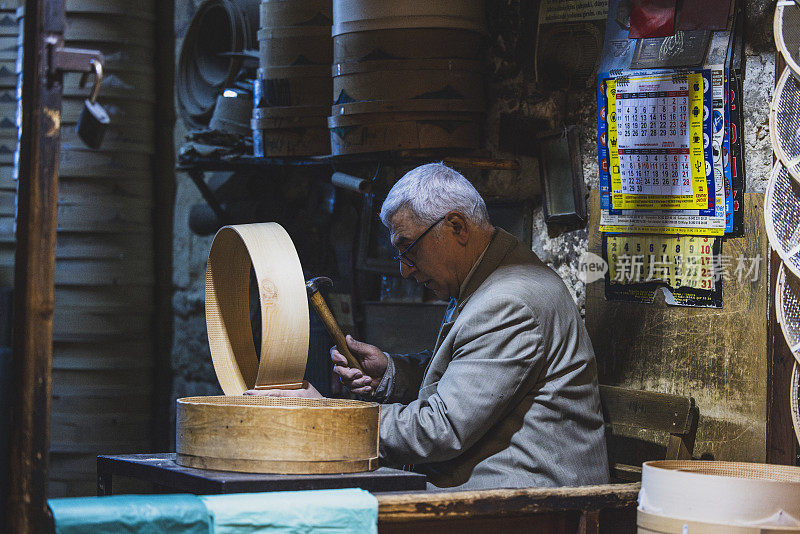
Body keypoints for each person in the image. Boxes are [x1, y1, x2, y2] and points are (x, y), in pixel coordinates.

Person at [247, 163, 609, 490]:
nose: (405, 269)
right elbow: (466, 374)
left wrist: (329, 416)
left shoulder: (509, 301)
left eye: (408, 249)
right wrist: (391, 373)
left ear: (455, 226)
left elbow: (441, 429)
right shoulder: (487, 277)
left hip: (529, 500)